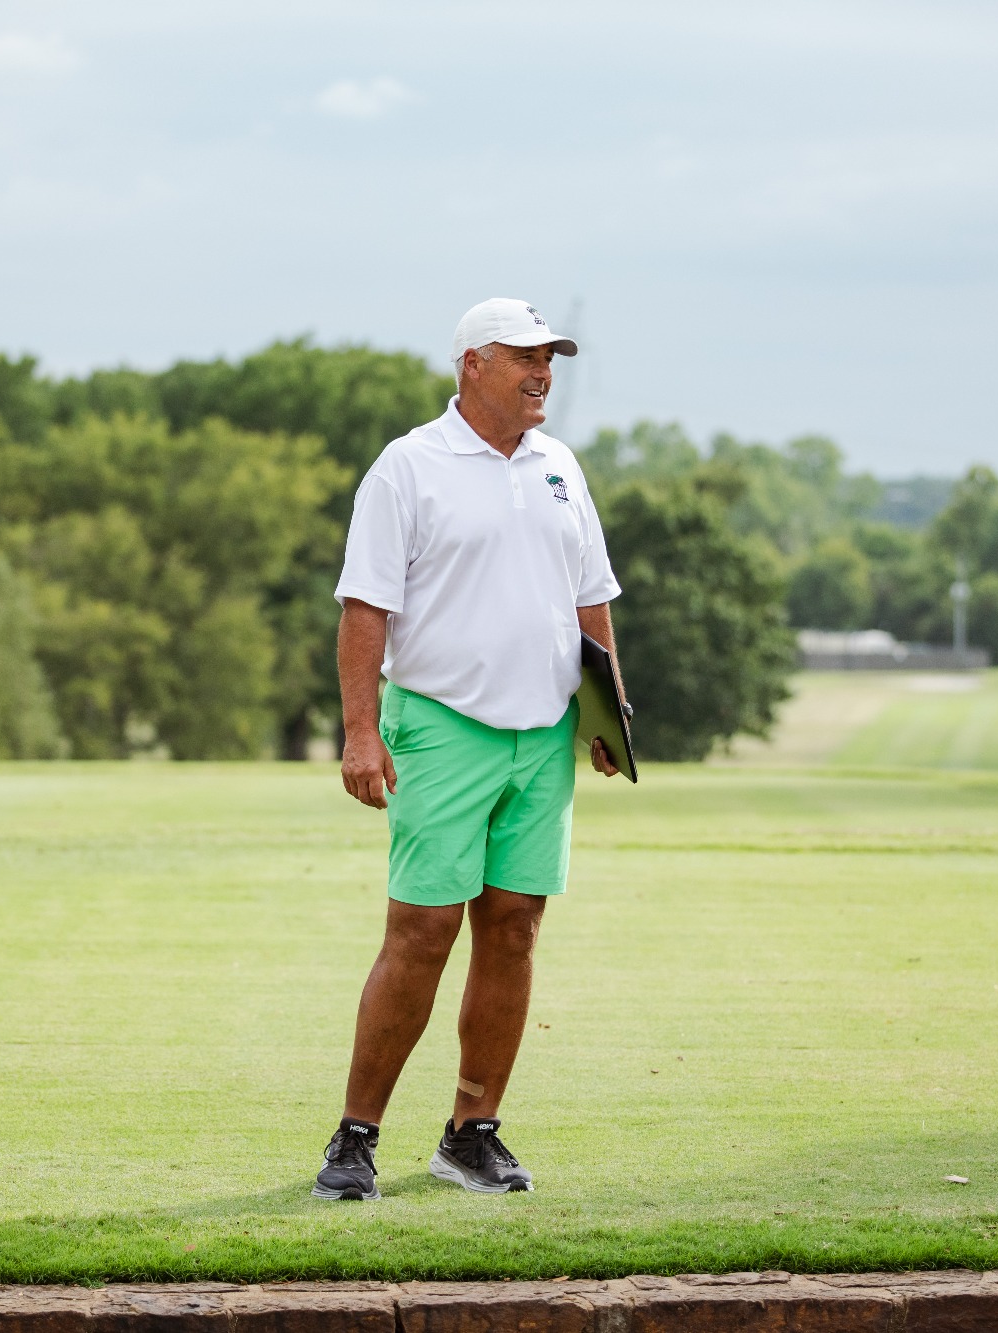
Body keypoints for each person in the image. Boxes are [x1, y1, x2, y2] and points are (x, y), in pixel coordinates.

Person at [313, 298, 624, 1201]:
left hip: (545, 733)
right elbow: (366, 607)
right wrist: (361, 730)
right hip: (443, 724)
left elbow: (590, 597)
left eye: (550, 359)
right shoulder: (409, 467)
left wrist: (609, 712)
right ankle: (355, 1136)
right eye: (524, 357)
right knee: (421, 931)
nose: (543, 374)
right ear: (471, 366)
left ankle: (470, 1133)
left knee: (515, 929)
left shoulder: (560, 466)